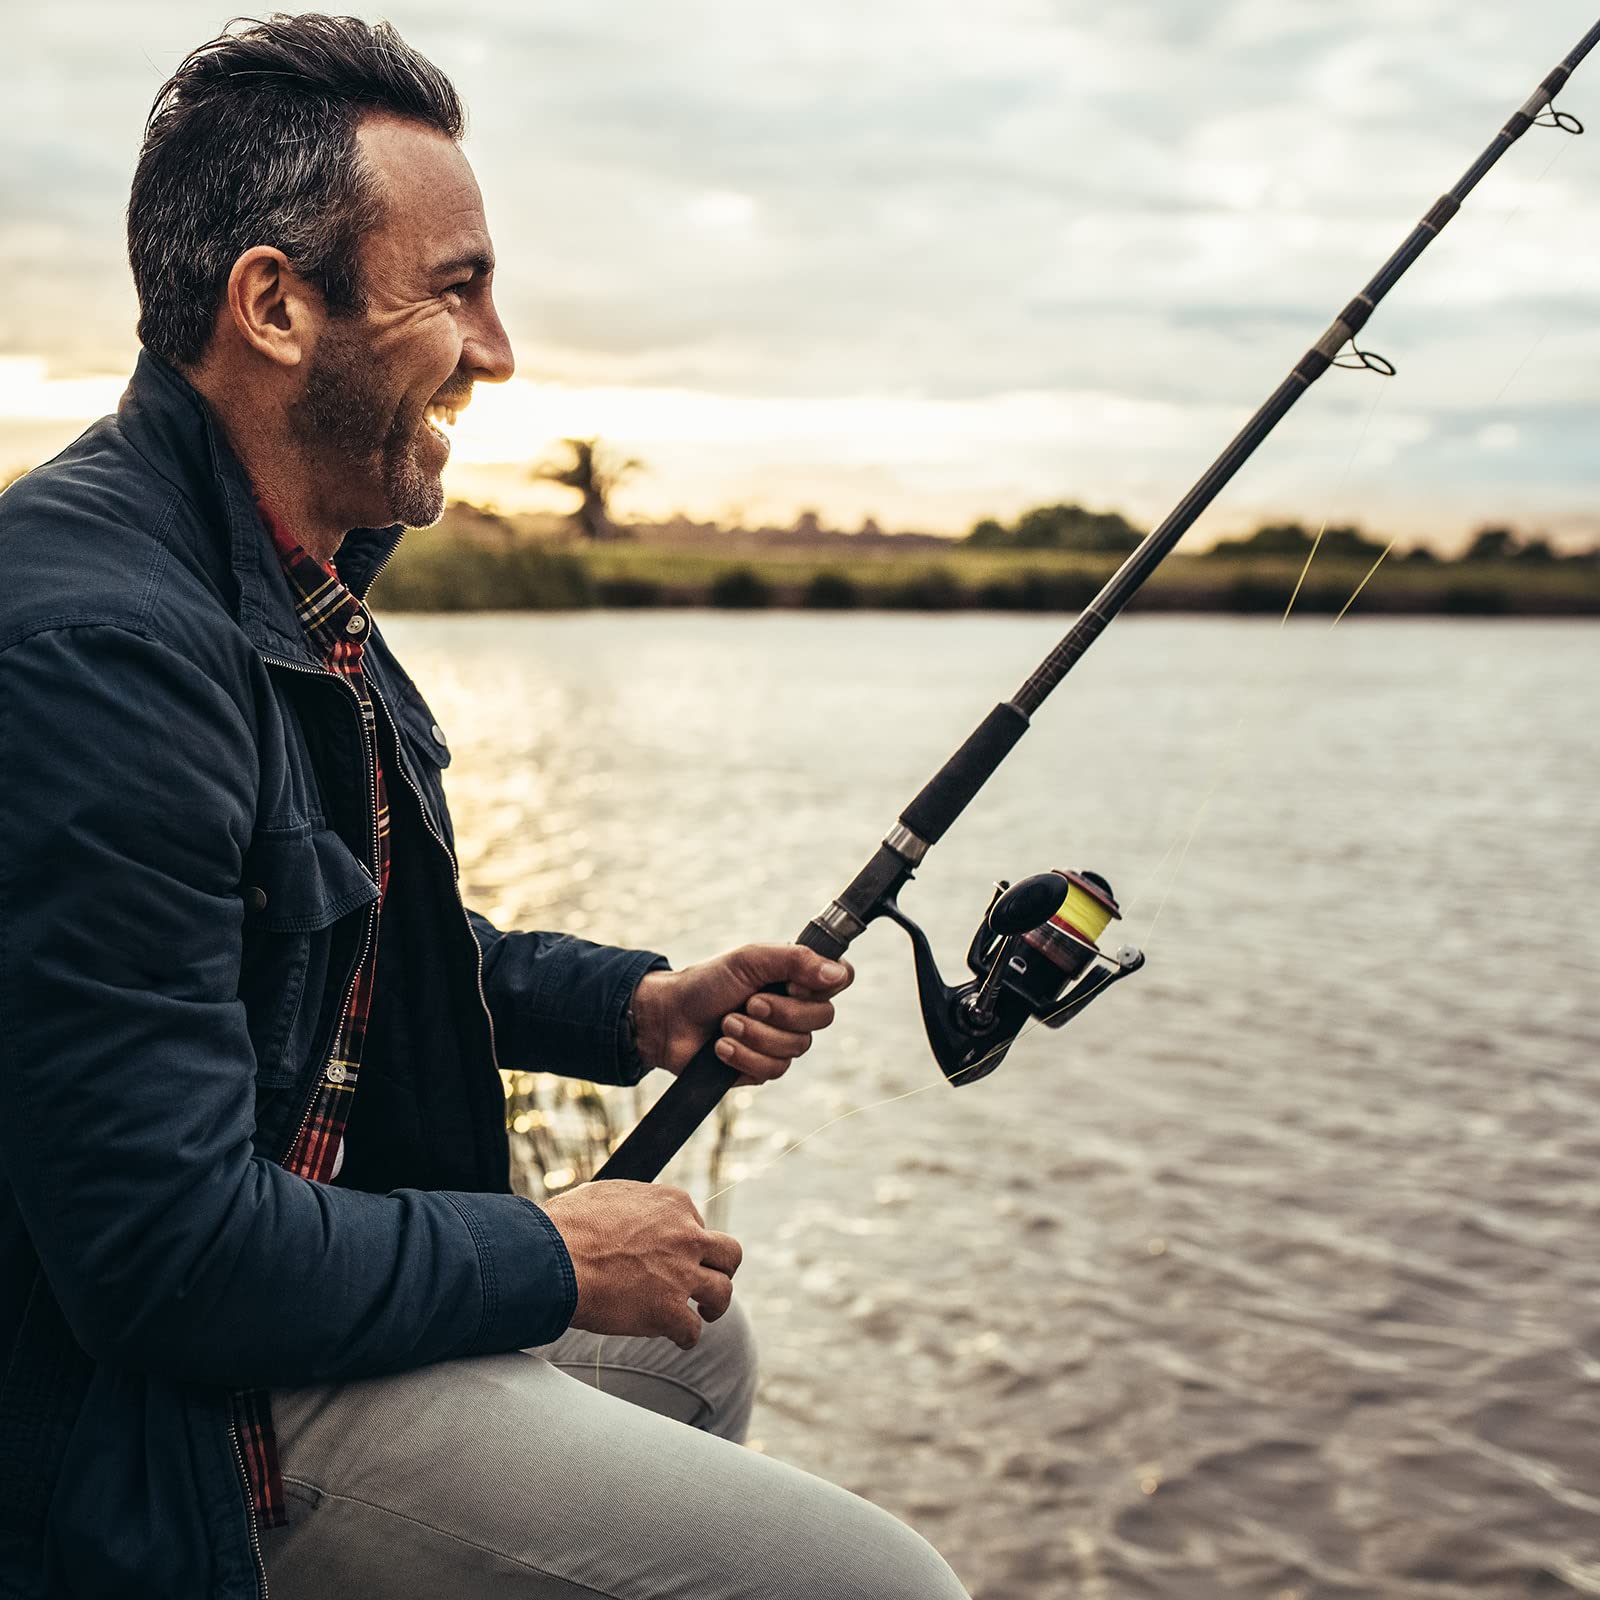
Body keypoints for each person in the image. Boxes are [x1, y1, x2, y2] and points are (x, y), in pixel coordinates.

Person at [0, 15, 971, 1600]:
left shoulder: (277, 587)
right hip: (144, 1423)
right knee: (887, 1590)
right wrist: (556, 1250)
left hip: (235, 1338)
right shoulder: (105, 648)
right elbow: (158, 1258)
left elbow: (346, 936)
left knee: (703, 1355)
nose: (503, 350)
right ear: (275, 306)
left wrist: (642, 1009)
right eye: (458, 289)